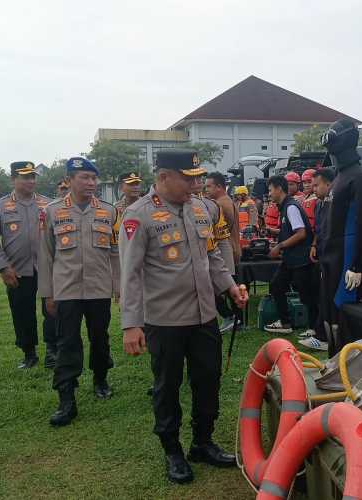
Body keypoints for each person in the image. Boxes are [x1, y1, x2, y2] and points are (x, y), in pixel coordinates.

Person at [119, 150, 248, 484]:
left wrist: (230, 287)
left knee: (208, 379)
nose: (196, 184)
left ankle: (202, 442)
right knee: (168, 386)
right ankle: (173, 450)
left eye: (198, 177)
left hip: (204, 315)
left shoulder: (202, 208)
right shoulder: (139, 215)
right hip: (165, 320)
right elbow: (129, 274)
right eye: (188, 178)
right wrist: (131, 324)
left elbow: (212, 259)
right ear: (164, 177)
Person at [39, 157, 119, 426]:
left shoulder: (108, 211)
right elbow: (46, 255)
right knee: (67, 343)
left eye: (93, 178)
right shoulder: (52, 211)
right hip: (66, 288)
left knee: (100, 338)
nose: (91, 183)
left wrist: (118, 287)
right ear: (70, 180)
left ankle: (100, 379)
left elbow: (115, 253)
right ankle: (66, 398)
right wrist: (47, 293)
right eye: (84, 177)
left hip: (99, 288)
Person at [0, 161, 57, 369]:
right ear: (13, 179)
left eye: (33, 177)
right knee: (22, 312)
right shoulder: (0, 207)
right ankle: (29, 352)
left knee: (52, 309)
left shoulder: (48, 204)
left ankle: (52, 350)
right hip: (17, 270)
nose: (30, 181)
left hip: (46, 268)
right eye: (25, 177)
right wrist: (3, 267)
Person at [318, 119, 362, 351]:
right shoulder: (339, 177)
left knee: (342, 312)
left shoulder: (358, 177)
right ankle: (333, 362)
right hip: (330, 255)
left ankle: (346, 367)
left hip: (346, 257)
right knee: (329, 312)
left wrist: (358, 265)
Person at [263, 175, 318, 335]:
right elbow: (291, 230)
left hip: (300, 259)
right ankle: (285, 323)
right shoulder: (285, 206)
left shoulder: (291, 207)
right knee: (276, 285)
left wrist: (280, 246)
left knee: (306, 294)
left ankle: (314, 328)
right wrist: (274, 232)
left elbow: (301, 233)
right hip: (291, 259)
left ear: (279, 189)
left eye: (270, 190)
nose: (269, 194)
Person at [299, 168, 335, 351]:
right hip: (320, 253)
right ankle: (318, 330)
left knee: (327, 296)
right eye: (311, 185)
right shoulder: (320, 204)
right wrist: (314, 245)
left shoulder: (335, 204)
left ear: (328, 184)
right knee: (318, 293)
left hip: (332, 257)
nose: (313, 189)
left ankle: (324, 337)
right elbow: (318, 229)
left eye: (316, 185)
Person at [204, 172, 240, 274]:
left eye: (209, 186)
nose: (206, 190)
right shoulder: (229, 201)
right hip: (234, 248)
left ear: (219, 187)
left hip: (225, 252)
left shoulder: (219, 204)